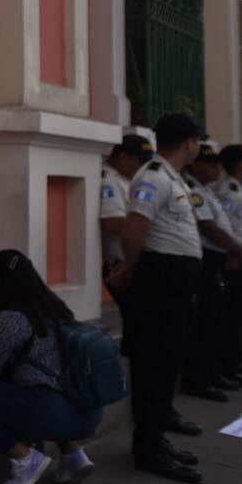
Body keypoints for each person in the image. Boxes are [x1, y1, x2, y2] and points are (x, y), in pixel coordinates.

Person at [0, 249, 102, 484]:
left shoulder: (12, 318)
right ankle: (73, 456)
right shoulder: (56, 307)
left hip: (50, 412)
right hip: (87, 414)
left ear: (3, 282)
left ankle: (24, 458)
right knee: (49, 382)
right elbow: (38, 350)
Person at [109, 113, 207, 483]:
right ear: (188, 142)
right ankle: (147, 447)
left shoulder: (171, 177)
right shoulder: (152, 176)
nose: (199, 146)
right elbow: (134, 233)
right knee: (155, 362)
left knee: (167, 360)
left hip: (174, 278)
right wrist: (134, 270)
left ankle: (156, 437)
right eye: (197, 140)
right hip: (161, 277)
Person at [180, 142, 242, 402]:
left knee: (216, 319)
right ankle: (198, 377)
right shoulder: (194, 190)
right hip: (206, 259)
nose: (216, 169)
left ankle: (211, 372)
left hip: (218, 257)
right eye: (211, 164)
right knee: (204, 321)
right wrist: (236, 248)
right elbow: (209, 227)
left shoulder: (206, 191)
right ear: (196, 164)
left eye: (218, 164)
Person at [212, 148, 242, 386]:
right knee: (229, 315)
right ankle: (228, 365)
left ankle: (235, 362)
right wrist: (233, 250)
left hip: (240, 252)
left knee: (238, 312)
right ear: (240, 165)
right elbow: (227, 225)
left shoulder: (238, 188)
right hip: (231, 255)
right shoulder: (228, 191)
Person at [99, 135, 154, 353]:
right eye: (140, 162)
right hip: (120, 264)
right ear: (123, 157)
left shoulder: (127, 179)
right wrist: (153, 228)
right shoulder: (109, 181)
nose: (143, 168)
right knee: (139, 323)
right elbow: (112, 221)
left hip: (133, 261)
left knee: (141, 324)